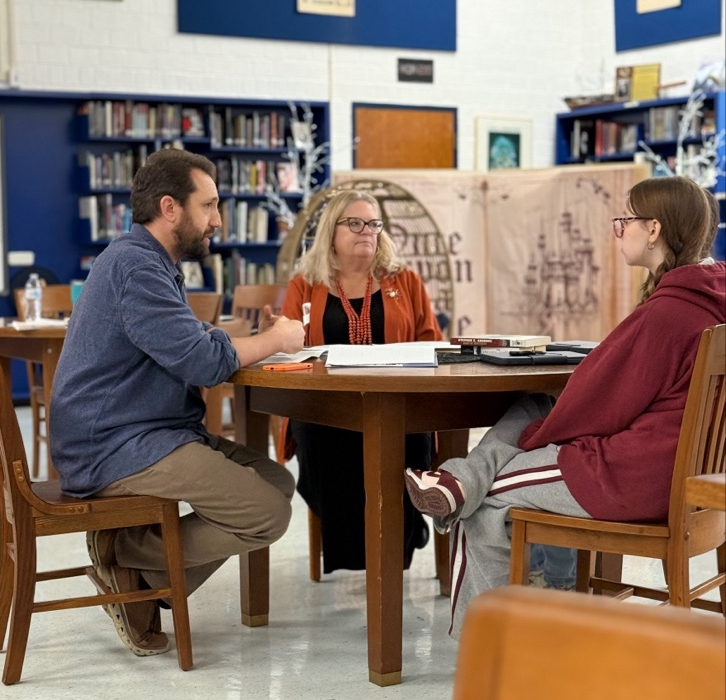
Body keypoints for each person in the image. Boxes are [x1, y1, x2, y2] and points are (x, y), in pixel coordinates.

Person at [404, 176, 724, 638]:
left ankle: (489, 652)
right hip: (689, 477)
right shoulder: (711, 299)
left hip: (635, 478)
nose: (619, 230)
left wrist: (535, 440)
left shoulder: (667, 313)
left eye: (625, 221)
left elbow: (595, 405)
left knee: (482, 499)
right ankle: (463, 484)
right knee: (533, 406)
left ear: (654, 229)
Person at [50, 148, 304, 657]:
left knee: (277, 480)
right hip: (115, 444)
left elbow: (188, 342)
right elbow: (203, 363)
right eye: (208, 206)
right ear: (170, 208)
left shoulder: (148, 261)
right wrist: (276, 341)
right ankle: (125, 556)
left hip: (148, 431)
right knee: (265, 515)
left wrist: (236, 337)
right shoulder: (135, 266)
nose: (217, 220)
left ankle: (141, 577)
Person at [280, 188, 442, 573]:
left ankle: (399, 541)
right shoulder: (305, 283)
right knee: (320, 442)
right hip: (326, 406)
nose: (366, 230)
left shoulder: (406, 281)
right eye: (355, 223)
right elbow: (286, 346)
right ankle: (352, 553)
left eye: (373, 224)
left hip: (398, 403)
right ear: (331, 233)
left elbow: (431, 342)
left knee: (409, 442)